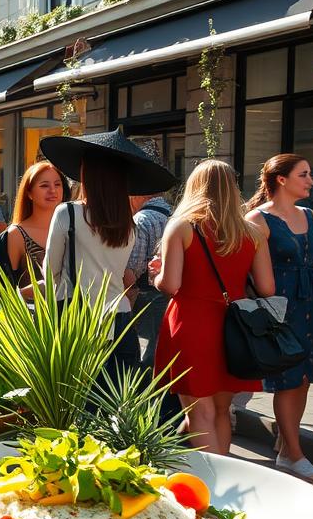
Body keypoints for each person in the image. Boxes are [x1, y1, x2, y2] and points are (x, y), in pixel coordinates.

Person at [152, 160, 274, 456]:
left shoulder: (182, 227)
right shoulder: (253, 232)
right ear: (233, 188)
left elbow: (170, 285)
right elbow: (268, 288)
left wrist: (155, 274)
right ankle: (225, 477)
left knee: (198, 412)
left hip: (191, 323)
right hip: (233, 326)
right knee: (221, 411)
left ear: (194, 186)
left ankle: (214, 484)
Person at [40, 130, 177, 378]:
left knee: (81, 403)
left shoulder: (67, 214)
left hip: (80, 322)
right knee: (114, 403)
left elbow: (50, 273)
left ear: (88, 175)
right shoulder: (128, 224)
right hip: (121, 319)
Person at [244, 154, 313, 482]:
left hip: (309, 305)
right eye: (303, 175)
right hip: (280, 308)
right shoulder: (257, 219)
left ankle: (285, 447)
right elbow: (250, 272)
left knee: (304, 378)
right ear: (282, 179)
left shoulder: (310, 215)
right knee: (287, 380)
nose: (310, 181)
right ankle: (294, 454)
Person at [126, 190, 175, 367]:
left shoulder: (141, 219)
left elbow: (134, 267)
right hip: (172, 292)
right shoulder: (174, 215)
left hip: (147, 295)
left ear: (139, 194)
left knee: (148, 351)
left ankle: (147, 392)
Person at [4, 161, 65, 286]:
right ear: (29, 193)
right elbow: (5, 288)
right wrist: (26, 293)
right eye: (44, 186)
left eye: (58, 184)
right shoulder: (16, 234)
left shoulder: (72, 228)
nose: (53, 190)